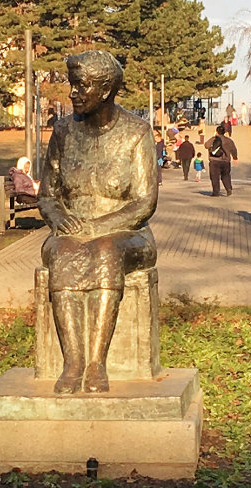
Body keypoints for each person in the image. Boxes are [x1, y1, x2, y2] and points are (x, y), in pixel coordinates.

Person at [38, 50, 157, 394]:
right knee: (64, 254)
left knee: (105, 251)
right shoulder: (63, 132)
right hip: (71, 232)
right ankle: (73, 362)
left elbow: (145, 202)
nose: (73, 93)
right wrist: (60, 218)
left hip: (128, 234)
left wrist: (99, 227)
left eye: (81, 85)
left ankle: (96, 364)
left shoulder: (136, 133)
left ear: (105, 90)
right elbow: (47, 194)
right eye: (72, 84)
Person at [204, 124, 238, 196]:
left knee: (215, 177)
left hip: (214, 161)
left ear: (216, 131)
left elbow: (206, 145)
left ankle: (216, 192)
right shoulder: (229, 140)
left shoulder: (214, 139)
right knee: (226, 175)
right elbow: (233, 149)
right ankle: (228, 188)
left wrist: (213, 137)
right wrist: (235, 157)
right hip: (226, 161)